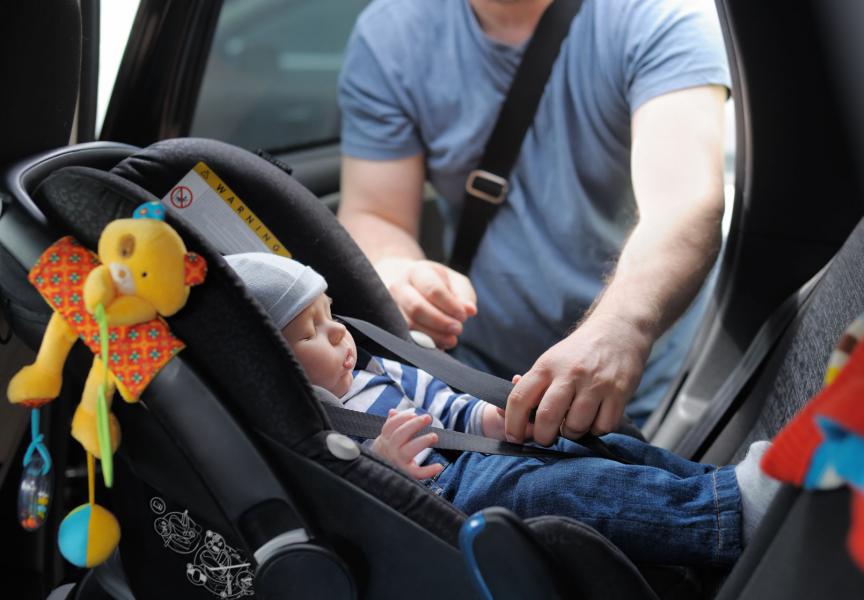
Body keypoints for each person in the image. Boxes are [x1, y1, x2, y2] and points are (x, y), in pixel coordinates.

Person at [336, 0, 732, 444]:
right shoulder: (391, 34)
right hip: (481, 377)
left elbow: (684, 204)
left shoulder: (655, 15)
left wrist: (622, 328)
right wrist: (399, 271)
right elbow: (374, 212)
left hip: (645, 374)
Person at [224, 253, 778, 566]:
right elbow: (357, 496)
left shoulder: (377, 371)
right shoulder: (316, 428)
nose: (340, 333)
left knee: (599, 448)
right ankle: (723, 519)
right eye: (312, 332)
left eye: (330, 315)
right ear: (275, 365)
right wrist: (388, 464)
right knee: (556, 492)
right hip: (449, 494)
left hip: (480, 453)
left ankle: (720, 487)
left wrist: (496, 419)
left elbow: (445, 405)